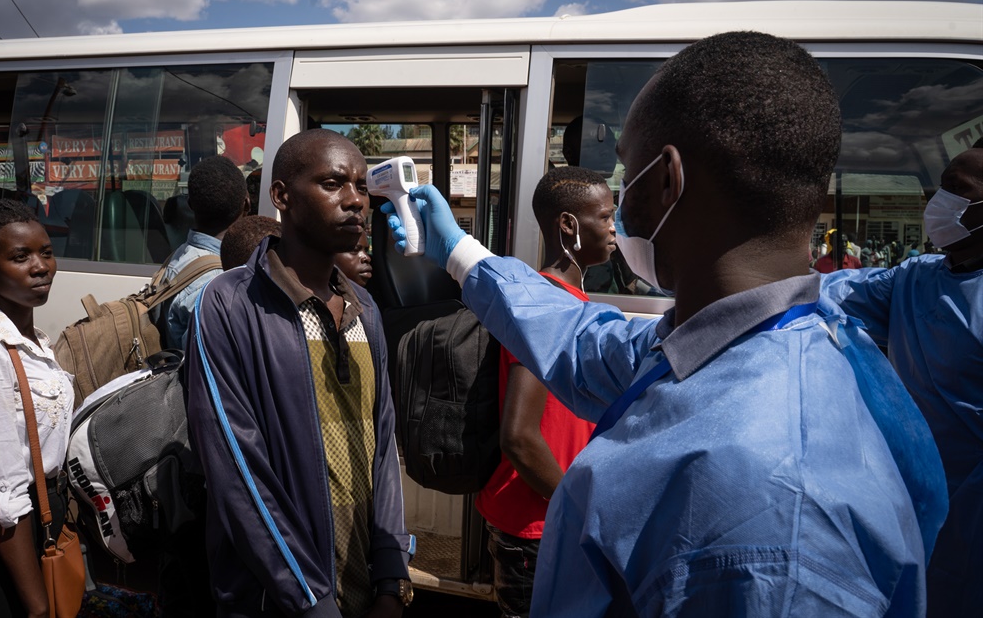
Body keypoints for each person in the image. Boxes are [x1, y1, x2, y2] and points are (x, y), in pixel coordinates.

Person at [383, 31, 947, 616]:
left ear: (667, 180)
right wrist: (458, 252)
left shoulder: (778, 523)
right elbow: (583, 342)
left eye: (626, 171)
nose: (620, 205)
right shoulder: (773, 334)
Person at [185, 129, 413, 618]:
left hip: (365, 591)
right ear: (282, 195)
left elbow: (384, 445)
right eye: (333, 183)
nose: (355, 200)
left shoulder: (364, 308)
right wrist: (310, 600)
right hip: (281, 599)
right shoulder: (229, 305)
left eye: (360, 185)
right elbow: (237, 470)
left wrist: (392, 578)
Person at [821, 142, 983, 617]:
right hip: (916, 499)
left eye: (957, 191)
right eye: (941, 186)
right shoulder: (916, 278)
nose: (939, 201)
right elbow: (821, 293)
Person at [475, 166, 613, 618]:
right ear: (569, 226)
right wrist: (576, 510)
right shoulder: (541, 306)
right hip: (535, 531)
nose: (614, 228)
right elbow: (519, 436)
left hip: (551, 521)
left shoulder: (572, 302)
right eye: (606, 217)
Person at [0, 199, 74, 618]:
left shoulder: (32, 339)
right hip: (7, 543)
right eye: (20, 256)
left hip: (42, 521)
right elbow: (0, 494)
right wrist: (37, 606)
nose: (41, 266)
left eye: (45, 252)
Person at [162, 154, 249, 350]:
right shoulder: (217, 283)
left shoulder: (181, 255)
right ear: (247, 205)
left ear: (191, 205)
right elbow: (208, 368)